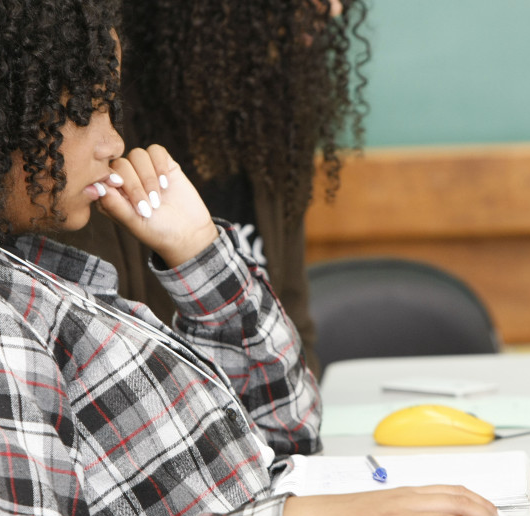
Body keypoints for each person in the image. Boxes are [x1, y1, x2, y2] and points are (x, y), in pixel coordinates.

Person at [0, 1, 498, 516]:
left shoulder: (36, 281)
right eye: (89, 113)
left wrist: (198, 252)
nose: (112, 143)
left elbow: (289, 430)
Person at [63, 0, 371, 378]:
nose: (335, 9)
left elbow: (295, 334)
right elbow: (105, 370)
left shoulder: (273, 119)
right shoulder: (92, 144)